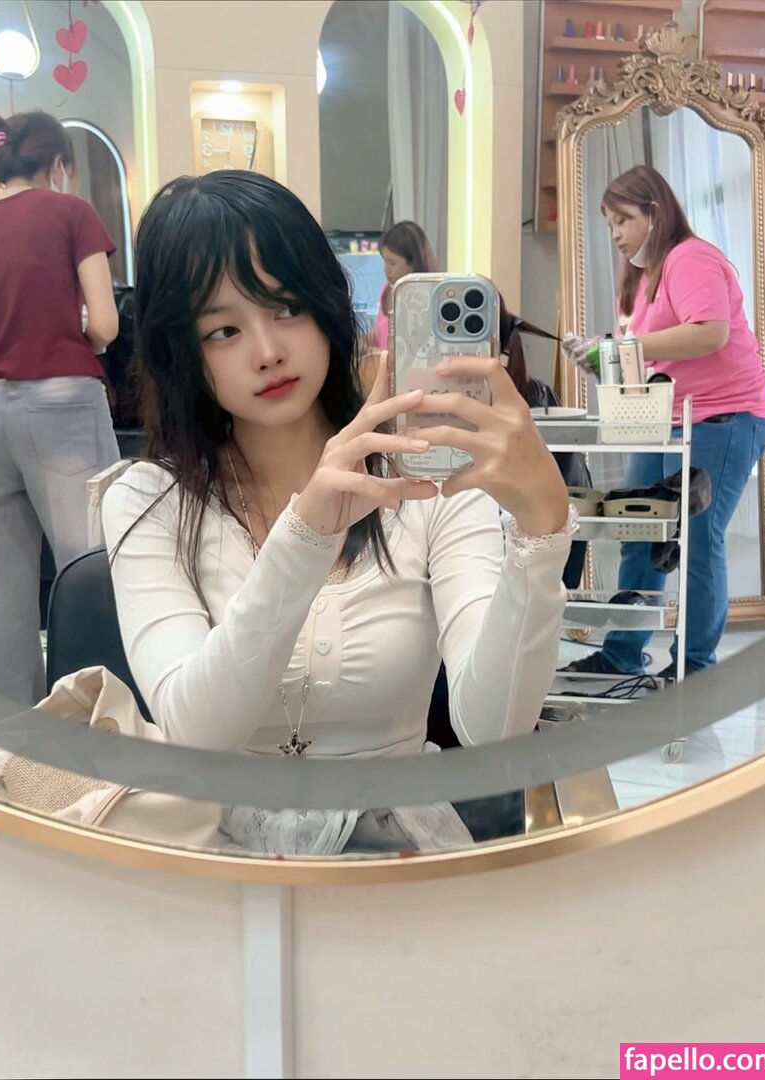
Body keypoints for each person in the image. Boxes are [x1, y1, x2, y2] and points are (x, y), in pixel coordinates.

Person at [101, 170, 574, 855]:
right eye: (223, 330)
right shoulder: (149, 501)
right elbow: (195, 737)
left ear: (325, 303)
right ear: (181, 352)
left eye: (286, 307)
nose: (268, 351)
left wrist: (541, 533)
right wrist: (306, 535)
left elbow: (492, 727)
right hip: (216, 866)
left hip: (397, 860)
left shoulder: (429, 484)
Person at [561, 165, 765, 678]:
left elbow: (711, 332)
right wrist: (599, 357)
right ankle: (621, 654)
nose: (615, 233)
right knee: (638, 530)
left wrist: (622, 346)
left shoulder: (690, 258)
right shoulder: (641, 280)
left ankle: (695, 667)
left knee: (697, 540)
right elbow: (650, 358)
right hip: (665, 420)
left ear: (654, 213)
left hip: (725, 417)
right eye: (609, 223)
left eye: (623, 220)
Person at [0, 111, 120, 704]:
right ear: (57, 164)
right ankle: (97, 714)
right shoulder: (71, 213)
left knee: (1, 590)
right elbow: (105, 324)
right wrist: (71, 332)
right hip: (61, 404)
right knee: (92, 572)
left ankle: (16, 736)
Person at [359, 220, 438, 395]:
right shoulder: (387, 291)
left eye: (392, 263)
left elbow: (418, 353)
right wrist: (364, 341)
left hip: (410, 387)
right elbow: (382, 332)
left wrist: (380, 355)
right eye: (384, 262)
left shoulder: (429, 300)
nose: (386, 270)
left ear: (413, 263)